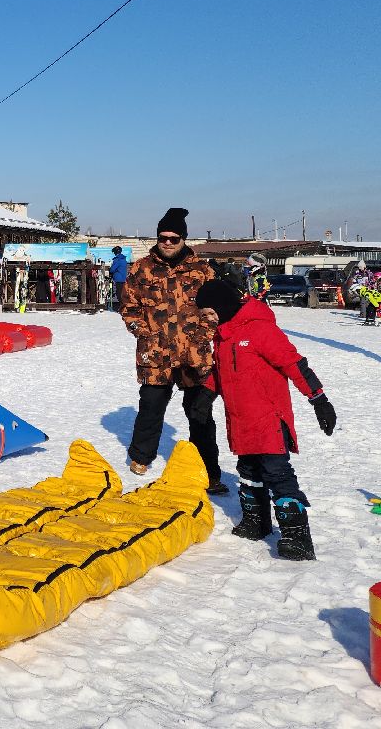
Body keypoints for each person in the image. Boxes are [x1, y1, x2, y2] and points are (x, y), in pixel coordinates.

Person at [195, 278, 338, 561]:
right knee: (248, 471)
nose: (209, 319)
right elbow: (220, 372)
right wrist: (205, 395)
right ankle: (257, 523)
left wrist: (318, 399)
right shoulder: (222, 336)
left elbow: (293, 363)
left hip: (269, 419)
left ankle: (297, 536)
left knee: (277, 474)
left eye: (211, 313)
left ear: (224, 305)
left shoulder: (260, 329)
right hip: (240, 421)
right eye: (204, 315)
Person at [119, 207, 226, 494]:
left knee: (199, 412)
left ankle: (208, 471)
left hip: (195, 354)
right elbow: (130, 308)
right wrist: (145, 333)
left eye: (173, 238)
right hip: (156, 355)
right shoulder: (140, 269)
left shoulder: (203, 271)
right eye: (162, 237)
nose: (167, 242)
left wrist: (203, 337)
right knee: (151, 406)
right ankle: (141, 457)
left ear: (183, 239)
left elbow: (214, 310)